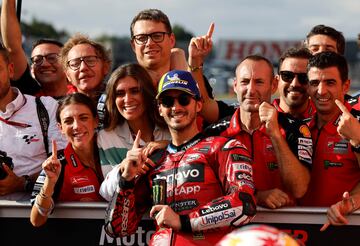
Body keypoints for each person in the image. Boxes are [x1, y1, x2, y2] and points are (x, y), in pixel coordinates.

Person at [104, 70, 256, 245]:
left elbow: (245, 204)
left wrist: (184, 221)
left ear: (198, 105)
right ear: (160, 109)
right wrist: (126, 180)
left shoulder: (223, 147)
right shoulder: (152, 161)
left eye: (184, 100)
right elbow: (117, 229)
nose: (176, 107)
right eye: (168, 102)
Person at [206, 55, 312, 209]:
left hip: (283, 229)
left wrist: (274, 134)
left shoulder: (295, 129)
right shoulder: (214, 133)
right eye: (245, 82)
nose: (251, 90)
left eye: (259, 82)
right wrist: (256, 195)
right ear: (235, 86)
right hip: (231, 229)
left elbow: (299, 189)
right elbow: (207, 190)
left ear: (274, 85)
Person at [130, 9, 234, 125]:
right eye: (141, 38)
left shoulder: (193, 80)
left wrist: (195, 60)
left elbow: (214, 116)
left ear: (172, 40)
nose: (149, 43)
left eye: (157, 36)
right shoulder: (124, 87)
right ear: (134, 45)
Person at [0, 43, 67, 201]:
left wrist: (21, 183)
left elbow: (62, 164)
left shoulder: (46, 107)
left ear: (10, 70)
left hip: (35, 215)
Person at [97, 63, 171, 201]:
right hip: (131, 218)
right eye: (120, 93)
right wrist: (124, 168)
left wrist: (169, 146)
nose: (127, 99)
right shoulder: (106, 136)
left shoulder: (170, 127)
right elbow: (107, 194)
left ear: (147, 93)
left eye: (135, 91)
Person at [30, 93, 104, 227]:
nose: (76, 126)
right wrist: (50, 182)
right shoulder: (56, 163)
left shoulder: (112, 152)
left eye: (83, 118)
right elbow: (36, 220)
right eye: (68, 121)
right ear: (60, 128)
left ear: (96, 121)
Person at [299, 52, 360, 207]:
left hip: (346, 227)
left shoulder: (357, 124)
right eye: (314, 83)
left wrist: (358, 141)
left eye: (330, 83)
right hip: (301, 226)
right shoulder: (300, 127)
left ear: (345, 86)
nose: (321, 91)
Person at [1, 0, 70, 98]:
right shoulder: (28, 95)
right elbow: (13, 48)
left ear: (67, 63)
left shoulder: (84, 92)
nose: (45, 64)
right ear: (32, 68)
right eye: (37, 60)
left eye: (52, 58)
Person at [273, 47, 315, 121]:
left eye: (304, 77)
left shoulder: (324, 119)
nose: (295, 84)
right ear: (277, 81)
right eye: (287, 76)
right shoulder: (259, 120)